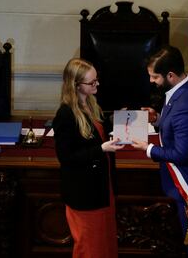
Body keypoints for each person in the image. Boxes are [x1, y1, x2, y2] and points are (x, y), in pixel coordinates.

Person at [131, 46, 188, 257]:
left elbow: (181, 154)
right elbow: (179, 128)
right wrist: (157, 119)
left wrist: (149, 148)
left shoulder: (186, 104)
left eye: (155, 76)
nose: (151, 81)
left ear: (170, 75)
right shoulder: (184, 90)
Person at [53, 58, 124, 258]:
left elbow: (96, 131)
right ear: (76, 85)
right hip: (84, 195)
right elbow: (66, 157)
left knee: (104, 243)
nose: (97, 84)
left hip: (101, 188)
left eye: (96, 80)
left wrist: (116, 119)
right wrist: (101, 149)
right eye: (92, 83)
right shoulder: (65, 115)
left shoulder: (90, 104)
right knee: (90, 247)